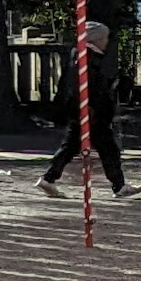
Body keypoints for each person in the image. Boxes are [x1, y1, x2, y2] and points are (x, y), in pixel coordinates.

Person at [39, 18, 130, 196]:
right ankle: (119, 185)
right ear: (95, 39)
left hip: (86, 110)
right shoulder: (86, 58)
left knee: (72, 146)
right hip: (89, 112)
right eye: (104, 38)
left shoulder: (84, 57)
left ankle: (48, 178)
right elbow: (86, 86)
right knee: (107, 147)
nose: (106, 42)